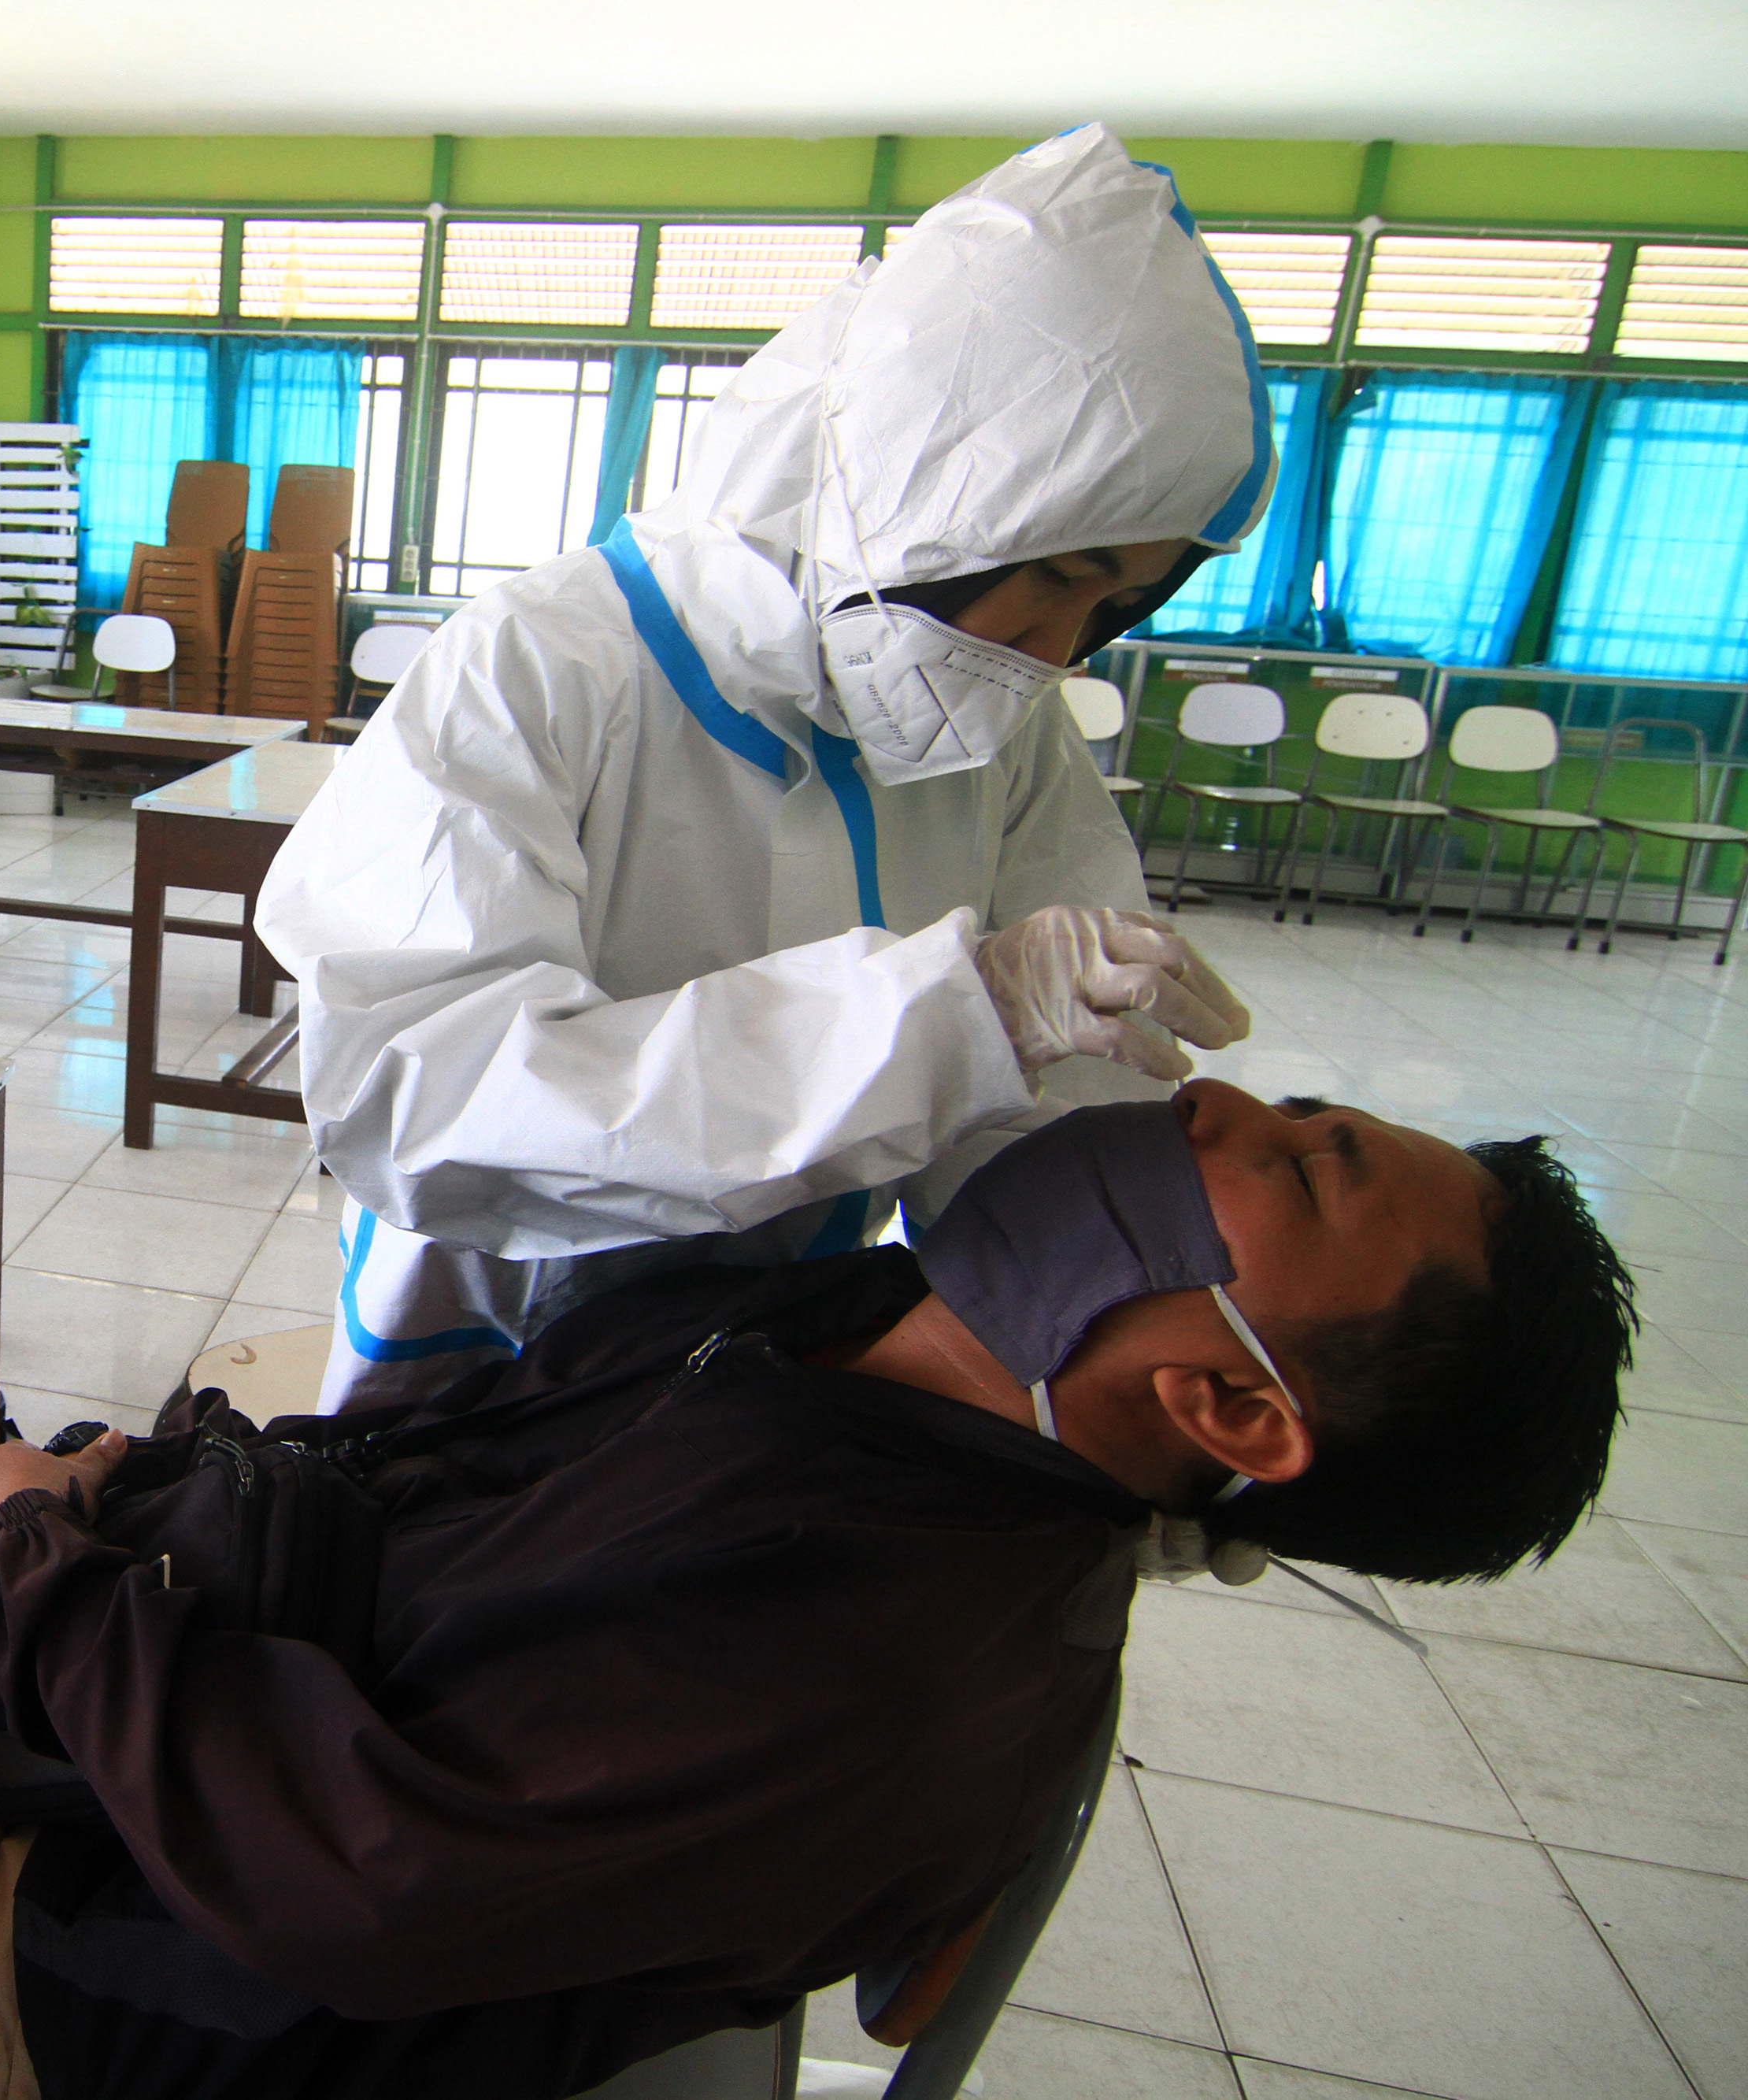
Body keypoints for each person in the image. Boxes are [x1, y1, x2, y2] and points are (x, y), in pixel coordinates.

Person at [0, 1080, 1638, 2100]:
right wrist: (108, 1502)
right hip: (264, 1700)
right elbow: (435, 1447)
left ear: (1242, 1415)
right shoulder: (860, 1327)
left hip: (216, 1986)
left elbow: (347, 1874)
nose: (1218, 1103)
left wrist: (53, 1571)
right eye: (1293, 1098)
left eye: (1298, 1164)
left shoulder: (899, 1649)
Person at [254, 123, 1272, 1414]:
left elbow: (1033, 1113)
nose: (1059, 654)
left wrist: (1111, 1365)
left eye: (1115, 604)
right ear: (917, 496)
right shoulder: (550, 665)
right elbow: (417, 1097)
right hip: (492, 1344)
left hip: (773, 1354)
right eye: (1057, 580)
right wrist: (949, 1018)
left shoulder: (1007, 726)